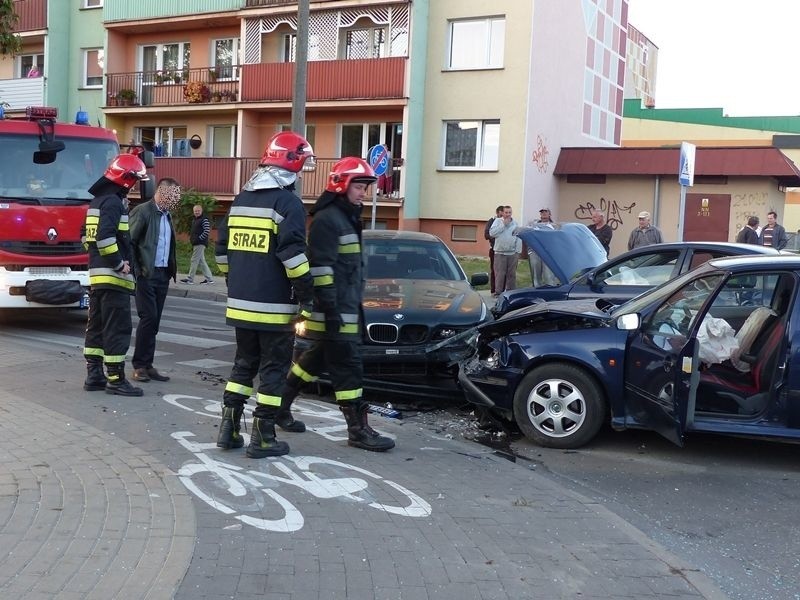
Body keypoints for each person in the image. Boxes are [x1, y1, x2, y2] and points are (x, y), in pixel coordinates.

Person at [281, 157, 394, 452]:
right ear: (341, 185)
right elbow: (322, 269)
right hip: (334, 312)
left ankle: (280, 406)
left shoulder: (345, 216)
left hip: (343, 309)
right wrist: (331, 311)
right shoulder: (328, 219)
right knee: (349, 369)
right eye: (358, 186)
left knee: (312, 362)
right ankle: (357, 430)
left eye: (366, 187)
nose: (363, 193)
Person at [214, 131, 316, 458]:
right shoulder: (288, 203)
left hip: (240, 305)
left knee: (243, 366)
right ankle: (263, 436)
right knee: (273, 371)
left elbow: (220, 251)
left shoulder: (241, 200)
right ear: (292, 165)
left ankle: (228, 431)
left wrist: (235, 283)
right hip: (273, 309)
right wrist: (307, 296)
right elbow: (293, 257)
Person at [82, 154, 149, 397]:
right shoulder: (112, 202)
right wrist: (119, 264)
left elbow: (85, 237)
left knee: (97, 327)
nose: (135, 186)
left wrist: (99, 260)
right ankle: (116, 379)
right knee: (117, 329)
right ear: (126, 179)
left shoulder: (96, 202)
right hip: (113, 278)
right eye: (134, 180)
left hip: (97, 278)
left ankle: (95, 375)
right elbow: (106, 238)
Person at [128, 178, 180, 383]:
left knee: (154, 322)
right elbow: (129, 241)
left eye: (175, 195)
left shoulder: (167, 216)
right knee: (148, 318)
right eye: (171, 194)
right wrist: (137, 270)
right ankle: (139, 365)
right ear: (160, 192)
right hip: (146, 274)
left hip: (162, 274)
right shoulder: (143, 211)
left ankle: (148, 365)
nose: (173, 199)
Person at [489, 205, 522, 294]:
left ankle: (511, 293)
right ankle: (498, 293)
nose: (508, 214)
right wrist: (503, 225)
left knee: (511, 275)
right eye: (506, 212)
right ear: (502, 213)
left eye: (509, 212)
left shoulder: (515, 223)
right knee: (500, 274)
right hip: (500, 253)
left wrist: (517, 251)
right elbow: (492, 233)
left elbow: (518, 237)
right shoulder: (497, 221)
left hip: (512, 253)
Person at [181, 204, 214, 284]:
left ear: (201, 211)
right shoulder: (195, 220)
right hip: (196, 243)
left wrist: (199, 239)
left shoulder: (204, 219)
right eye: (195, 211)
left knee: (194, 260)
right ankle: (209, 279)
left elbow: (206, 231)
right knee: (201, 261)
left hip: (200, 243)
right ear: (193, 211)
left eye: (198, 211)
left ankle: (190, 279)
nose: (197, 212)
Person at [527, 208, 557, 287]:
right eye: (542, 212)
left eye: (545, 212)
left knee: (549, 274)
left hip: (548, 253)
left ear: (549, 214)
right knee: (536, 274)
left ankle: (551, 290)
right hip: (535, 252)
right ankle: (537, 290)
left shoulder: (554, 226)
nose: (543, 214)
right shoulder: (534, 225)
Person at [484, 205, 504, 295]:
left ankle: (503, 290)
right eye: (501, 214)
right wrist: (496, 236)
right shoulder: (492, 221)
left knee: (504, 271)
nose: (502, 216)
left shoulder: (507, 222)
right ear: (497, 213)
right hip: (494, 249)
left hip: (505, 250)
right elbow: (487, 235)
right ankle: (494, 290)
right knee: (495, 270)